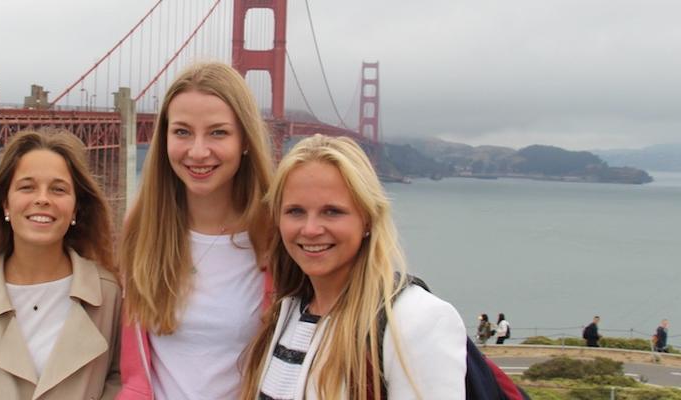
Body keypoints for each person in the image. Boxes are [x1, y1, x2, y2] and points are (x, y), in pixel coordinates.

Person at [239, 135, 466, 400]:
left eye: (332, 211)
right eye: (295, 211)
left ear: (367, 219)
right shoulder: (287, 312)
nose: (310, 229)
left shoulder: (416, 320)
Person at [0, 129, 121, 399]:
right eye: (27, 187)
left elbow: (121, 383)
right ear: (5, 203)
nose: (42, 199)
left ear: (76, 209)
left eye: (58, 189)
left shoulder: (110, 295)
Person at [118, 62, 275, 400]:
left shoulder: (277, 235)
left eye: (218, 132)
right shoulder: (142, 229)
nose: (198, 151)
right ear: (164, 139)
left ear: (245, 140)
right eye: (182, 132)